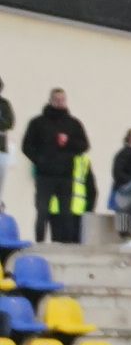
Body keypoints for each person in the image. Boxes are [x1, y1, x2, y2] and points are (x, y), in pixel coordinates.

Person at [18, 88, 85, 240]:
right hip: (44, 175)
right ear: (50, 100)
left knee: (66, 212)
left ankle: (66, 244)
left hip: (66, 174)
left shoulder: (73, 124)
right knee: (42, 211)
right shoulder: (37, 123)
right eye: (57, 99)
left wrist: (69, 142)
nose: (60, 102)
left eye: (63, 99)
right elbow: (26, 146)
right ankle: (39, 242)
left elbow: (83, 145)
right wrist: (39, 160)